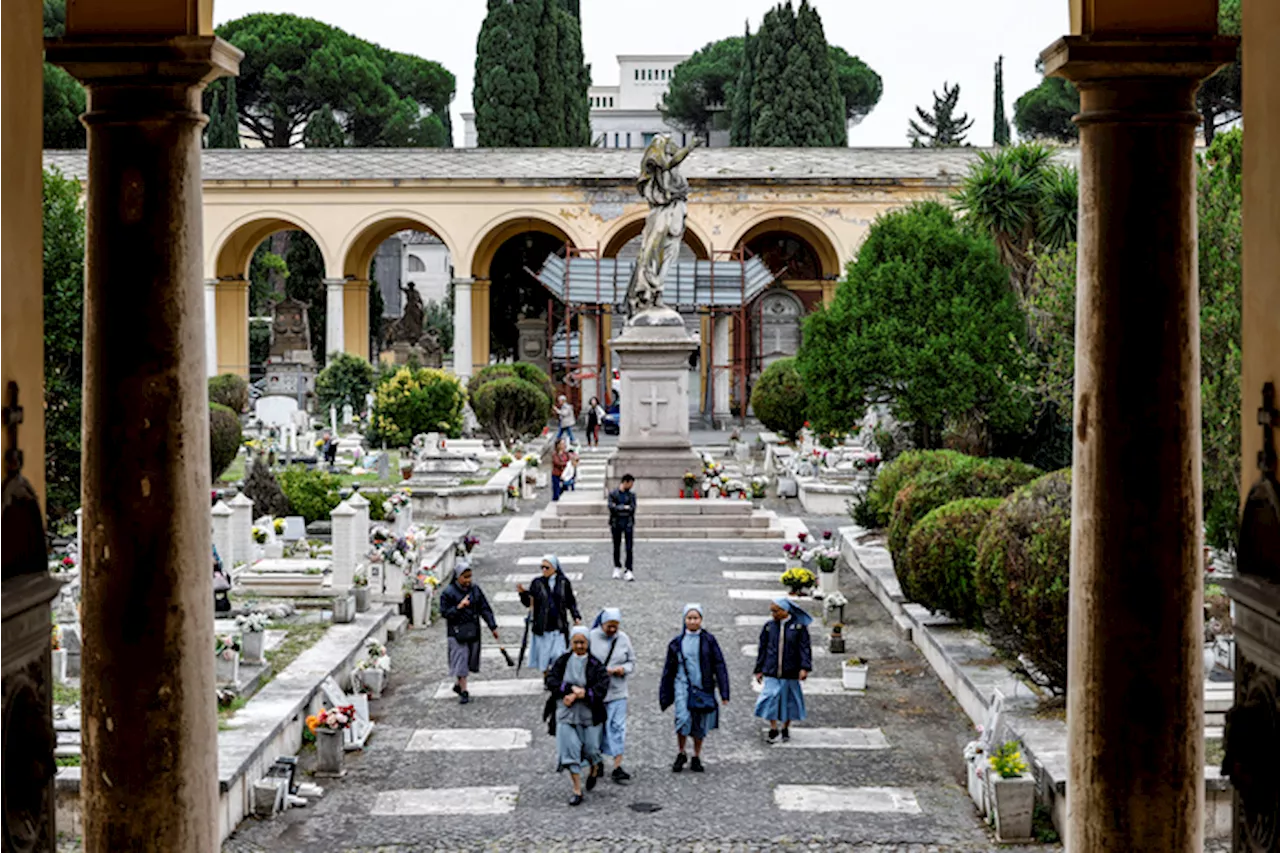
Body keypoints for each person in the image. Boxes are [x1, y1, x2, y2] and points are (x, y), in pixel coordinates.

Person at [659, 603, 730, 773]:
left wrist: (724, 691)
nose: (692, 621)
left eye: (695, 618)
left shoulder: (709, 640)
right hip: (682, 686)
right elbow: (668, 669)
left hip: (703, 686)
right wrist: (665, 693)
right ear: (684, 620)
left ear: (701, 620)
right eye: (689, 618)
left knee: (699, 723)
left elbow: (719, 665)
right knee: (682, 719)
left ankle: (696, 756)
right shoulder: (677, 642)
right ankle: (681, 751)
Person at [544, 626, 610, 806]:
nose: (579, 646)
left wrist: (585, 694)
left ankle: (595, 766)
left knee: (591, 749)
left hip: (589, 715)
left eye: (583, 642)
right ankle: (577, 789)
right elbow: (551, 680)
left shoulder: (596, 665)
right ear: (571, 643)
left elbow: (602, 688)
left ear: (588, 643)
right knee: (569, 750)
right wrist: (568, 690)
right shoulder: (562, 661)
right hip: (566, 714)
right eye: (576, 642)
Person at [438, 562, 500, 705]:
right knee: (461, 660)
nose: (468, 580)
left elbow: (484, 608)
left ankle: (459, 685)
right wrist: (459, 607)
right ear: (457, 577)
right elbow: (445, 613)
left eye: (469, 577)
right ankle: (464, 691)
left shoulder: (475, 590)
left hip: (472, 630)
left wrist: (492, 626)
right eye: (465, 577)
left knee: (469, 660)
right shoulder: (448, 593)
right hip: (456, 633)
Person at [753, 598, 813, 741]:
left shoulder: (799, 627)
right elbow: (762, 649)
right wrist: (759, 668)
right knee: (771, 698)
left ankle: (785, 727)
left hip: (790, 671)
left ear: (785, 611)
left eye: (776, 611)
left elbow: (804, 649)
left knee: (789, 701)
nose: (773, 614)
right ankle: (773, 727)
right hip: (771, 670)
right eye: (772, 611)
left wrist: (805, 667)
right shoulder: (769, 627)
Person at [588, 608, 636, 783]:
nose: (613, 630)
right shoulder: (591, 637)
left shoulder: (623, 639)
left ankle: (617, 765)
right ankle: (597, 761)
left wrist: (623, 669)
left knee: (617, 727)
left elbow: (632, 661)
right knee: (597, 728)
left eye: (616, 626)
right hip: (597, 693)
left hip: (618, 691)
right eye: (609, 626)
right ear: (602, 623)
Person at [518, 555, 582, 674]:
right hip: (543, 626)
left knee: (558, 654)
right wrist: (522, 594)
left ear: (554, 568)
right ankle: (547, 678)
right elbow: (529, 603)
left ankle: (556, 676)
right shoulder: (537, 583)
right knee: (544, 656)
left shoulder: (563, 582)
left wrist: (576, 616)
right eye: (542, 567)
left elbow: (570, 601)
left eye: (547, 567)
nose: (544, 570)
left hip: (559, 625)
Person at [608, 474, 637, 581]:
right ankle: (617, 566)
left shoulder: (631, 495)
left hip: (628, 523)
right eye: (631, 483)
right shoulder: (613, 494)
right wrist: (624, 507)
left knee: (629, 548)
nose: (632, 486)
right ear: (625, 482)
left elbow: (632, 508)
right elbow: (611, 507)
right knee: (616, 546)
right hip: (616, 523)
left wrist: (619, 508)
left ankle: (629, 569)